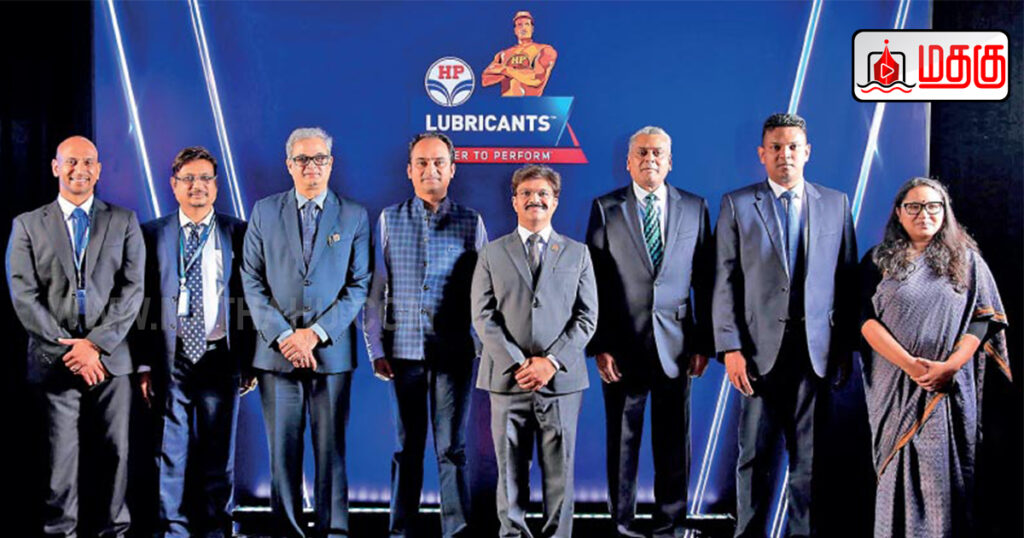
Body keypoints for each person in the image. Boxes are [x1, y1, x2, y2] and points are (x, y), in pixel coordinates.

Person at [712, 113, 857, 537]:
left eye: (793, 147)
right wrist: (730, 348)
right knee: (753, 457)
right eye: (776, 147)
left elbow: (847, 279)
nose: (785, 154)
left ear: (807, 152)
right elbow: (723, 280)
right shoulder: (737, 204)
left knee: (810, 460)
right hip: (757, 352)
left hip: (816, 352)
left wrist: (843, 349)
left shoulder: (836, 203)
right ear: (762, 154)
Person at [6, 135, 145, 537]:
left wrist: (95, 346)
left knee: (116, 454)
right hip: (55, 360)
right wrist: (71, 350)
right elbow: (24, 294)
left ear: (98, 170)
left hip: (110, 361)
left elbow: (133, 290)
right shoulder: (27, 225)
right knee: (59, 460)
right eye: (70, 162)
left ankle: (114, 532)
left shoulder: (124, 221)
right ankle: (60, 532)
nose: (79, 170)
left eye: (87, 162)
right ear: (55, 167)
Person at [860, 177, 1009, 538]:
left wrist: (950, 367)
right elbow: (862, 320)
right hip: (894, 384)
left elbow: (983, 320)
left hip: (948, 386)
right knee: (896, 468)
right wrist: (911, 365)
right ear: (899, 213)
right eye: (913, 206)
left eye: (932, 206)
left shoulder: (967, 263)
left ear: (945, 213)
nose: (923, 214)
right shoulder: (878, 261)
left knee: (944, 478)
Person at [241, 127, 372, 537]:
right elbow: (251, 280)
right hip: (276, 355)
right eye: (302, 159)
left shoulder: (354, 215)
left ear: (330, 164)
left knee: (331, 451)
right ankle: (288, 531)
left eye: (319, 159)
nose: (311, 166)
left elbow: (359, 285)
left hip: (330, 355)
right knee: (283, 452)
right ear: (289, 165)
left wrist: (313, 335)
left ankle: (334, 530)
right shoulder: (264, 211)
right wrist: (285, 336)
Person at [586, 126, 714, 538]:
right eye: (641, 152)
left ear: (670, 161)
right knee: (622, 443)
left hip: (678, 345)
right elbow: (593, 282)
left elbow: (706, 280)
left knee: (674, 441)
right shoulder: (606, 208)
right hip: (622, 347)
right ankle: (621, 525)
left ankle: (670, 525)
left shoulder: (695, 207)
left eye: (658, 153)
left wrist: (704, 342)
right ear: (628, 162)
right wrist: (600, 345)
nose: (650, 159)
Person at [362, 133, 487, 537]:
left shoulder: (471, 222)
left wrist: (479, 346)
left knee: (452, 448)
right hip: (403, 353)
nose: (430, 170)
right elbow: (376, 290)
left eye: (438, 163)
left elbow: (485, 291)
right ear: (409, 170)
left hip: (454, 353)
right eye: (421, 163)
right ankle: (401, 531)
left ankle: (457, 530)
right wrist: (375, 348)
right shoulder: (389, 219)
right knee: (407, 447)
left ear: (452, 170)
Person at [471, 164, 597, 538]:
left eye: (543, 193)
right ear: (514, 201)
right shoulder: (491, 253)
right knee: (510, 470)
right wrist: (518, 364)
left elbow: (587, 317)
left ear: (555, 201)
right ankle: (512, 533)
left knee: (561, 470)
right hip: (507, 380)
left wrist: (551, 362)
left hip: (561, 382)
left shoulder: (578, 254)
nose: (534, 199)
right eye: (526, 193)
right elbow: (482, 315)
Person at [135, 146, 255, 537]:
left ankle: (216, 529)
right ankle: (173, 529)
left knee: (219, 454)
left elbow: (250, 298)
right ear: (174, 185)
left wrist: (249, 359)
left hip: (220, 355)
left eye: (205, 178)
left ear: (216, 186)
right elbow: (143, 301)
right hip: (171, 357)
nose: (197, 186)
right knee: (169, 452)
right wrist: (144, 363)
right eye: (188, 179)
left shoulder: (238, 232)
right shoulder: (152, 234)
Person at [481, 11, 558, 97]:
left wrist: (505, 70)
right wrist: (522, 73)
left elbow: (536, 79)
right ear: (515, 30)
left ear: (532, 28)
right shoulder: (503, 54)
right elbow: (485, 80)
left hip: (531, 103)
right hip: (506, 103)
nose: (523, 28)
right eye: (519, 25)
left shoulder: (544, 50)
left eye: (527, 24)